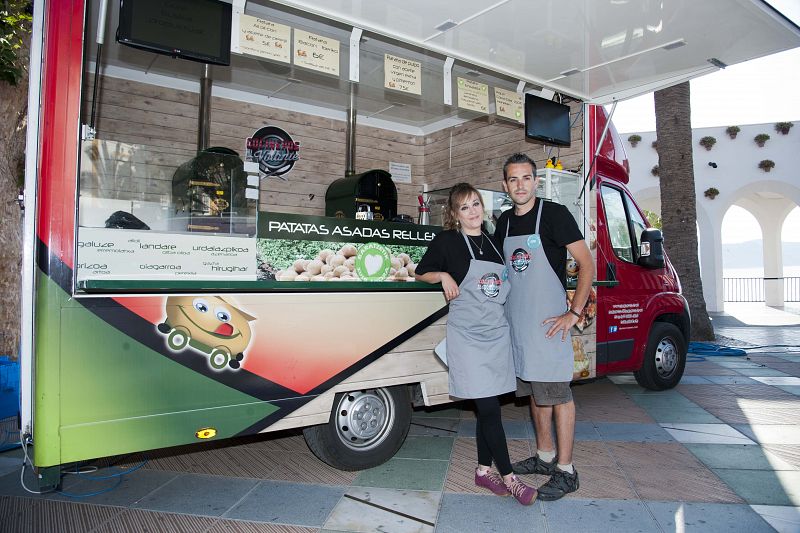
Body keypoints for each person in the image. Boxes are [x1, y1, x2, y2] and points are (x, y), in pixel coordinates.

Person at [416, 183, 537, 506]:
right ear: (455, 215)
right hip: (467, 337)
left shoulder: (493, 242)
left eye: (476, 204)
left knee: (489, 409)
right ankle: (510, 478)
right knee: (489, 408)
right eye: (465, 207)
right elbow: (420, 272)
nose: (473, 212)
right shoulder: (448, 241)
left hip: (496, 334)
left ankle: (483, 471)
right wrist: (443, 275)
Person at [494, 153, 594, 501]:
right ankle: (545, 456)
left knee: (558, 396)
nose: (520, 185)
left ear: (535, 181)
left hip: (549, 327)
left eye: (526, 178)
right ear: (505, 185)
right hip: (517, 329)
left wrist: (575, 312)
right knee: (537, 395)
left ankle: (567, 470)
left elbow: (586, 264)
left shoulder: (554, 215)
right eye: (513, 179)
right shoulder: (503, 222)